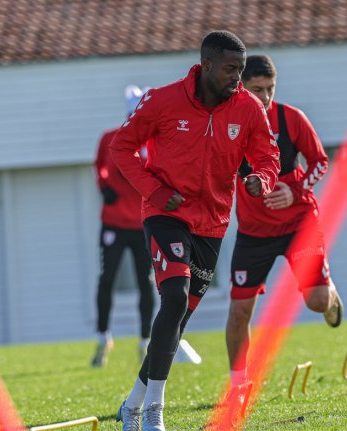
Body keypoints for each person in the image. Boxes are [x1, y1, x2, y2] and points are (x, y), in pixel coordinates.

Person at [109, 31, 280, 431]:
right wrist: (154, 189)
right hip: (165, 213)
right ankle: (154, 410)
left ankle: (132, 406)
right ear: (205, 66)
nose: (237, 78)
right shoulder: (163, 101)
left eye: (241, 70)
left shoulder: (249, 108)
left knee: (178, 317)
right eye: (229, 69)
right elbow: (122, 147)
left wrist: (262, 179)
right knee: (173, 297)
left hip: (213, 223)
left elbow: (267, 155)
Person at [225, 55, 344, 394]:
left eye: (270, 89)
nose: (264, 97)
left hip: (298, 224)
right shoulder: (227, 123)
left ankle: (330, 293)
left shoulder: (291, 118)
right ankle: (238, 386)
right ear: (239, 87)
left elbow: (320, 161)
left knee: (316, 302)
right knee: (239, 312)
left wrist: (294, 191)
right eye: (256, 89)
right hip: (254, 233)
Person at [90, 85, 154, 367]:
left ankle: (146, 340)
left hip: (143, 224)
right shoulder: (110, 138)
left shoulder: (153, 141)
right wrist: (104, 185)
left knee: (146, 282)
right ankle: (104, 336)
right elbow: (99, 167)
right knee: (107, 279)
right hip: (114, 222)